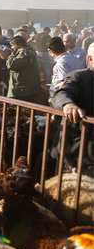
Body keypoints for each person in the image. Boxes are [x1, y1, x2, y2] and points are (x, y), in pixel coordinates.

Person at [49, 43, 94, 171]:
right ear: (90, 59)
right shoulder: (79, 76)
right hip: (76, 154)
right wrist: (68, 104)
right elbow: (61, 93)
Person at [5, 36, 42, 102]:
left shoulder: (23, 53)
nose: (12, 47)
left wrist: (11, 55)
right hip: (28, 88)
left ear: (18, 44)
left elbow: (12, 65)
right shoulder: (29, 51)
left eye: (13, 45)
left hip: (22, 90)